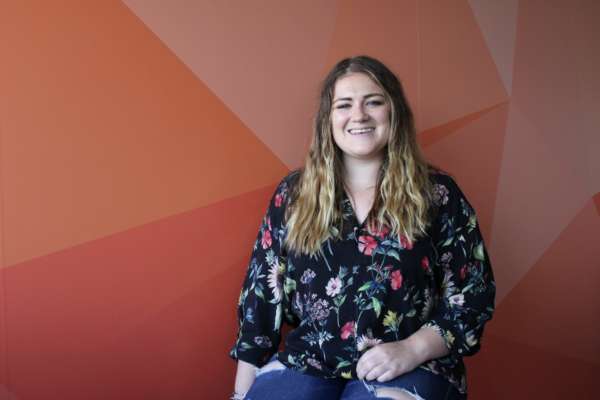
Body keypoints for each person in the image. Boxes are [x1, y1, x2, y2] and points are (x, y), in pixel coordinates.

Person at [229, 55, 495, 400]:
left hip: (412, 364)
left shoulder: (436, 194)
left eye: (373, 102)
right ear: (328, 119)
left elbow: (472, 296)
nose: (359, 115)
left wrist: (413, 349)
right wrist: (241, 394)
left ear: (394, 112)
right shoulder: (294, 194)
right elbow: (262, 300)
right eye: (344, 105)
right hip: (309, 362)